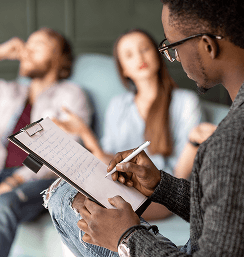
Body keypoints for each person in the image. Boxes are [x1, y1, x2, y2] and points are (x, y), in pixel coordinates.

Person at [44, 0, 244, 255]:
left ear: (207, 46)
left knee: (64, 196)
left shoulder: (228, 143)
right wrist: (162, 185)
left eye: (173, 47)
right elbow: (227, 212)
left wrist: (127, 237)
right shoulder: (233, 129)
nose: (174, 57)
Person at [52, 28, 202, 220]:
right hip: (124, 188)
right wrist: (84, 132)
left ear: (158, 54)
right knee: (70, 200)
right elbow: (107, 161)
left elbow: (181, 176)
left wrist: (194, 142)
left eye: (144, 49)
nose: (140, 57)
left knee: (95, 214)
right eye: (129, 55)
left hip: (161, 195)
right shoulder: (118, 105)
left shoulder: (185, 102)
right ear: (123, 68)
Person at [0, 28, 92, 257]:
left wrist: (10, 184)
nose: (27, 50)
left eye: (39, 44)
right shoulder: (10, 91)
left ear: (57, 55)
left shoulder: (71, 95)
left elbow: (56, 154)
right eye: (27, 44)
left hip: (38, 180)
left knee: (3, 204)